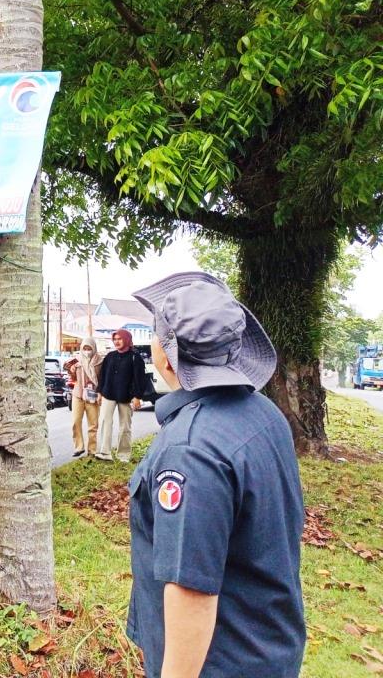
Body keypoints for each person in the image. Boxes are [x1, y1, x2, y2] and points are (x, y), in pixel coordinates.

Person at [127, 272, 305, 678]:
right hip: (265, 648)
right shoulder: (264, 412)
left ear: (166, 355)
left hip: (219, 662)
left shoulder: (190, 451)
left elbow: (192, 591)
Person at [96, 329, 146, 462]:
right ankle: (105, 452)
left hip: (126, 395)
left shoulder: (135, 357)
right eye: (115, 339)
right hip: (108, 393)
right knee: (105, 421)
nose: (117, 341)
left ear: (127, 340)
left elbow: (140, 378)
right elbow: (103, 375)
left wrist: (137, 396)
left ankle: (123, 455)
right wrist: (100, 392)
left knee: (125, 426)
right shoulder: (110, 356)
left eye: (120, 339)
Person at [67, 336, 102, 457]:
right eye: (85, 348)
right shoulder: (77, 361)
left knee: (93, 425)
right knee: (75, 421)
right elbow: (72, 379)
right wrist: (71, 370)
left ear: (94, 348)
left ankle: (92, 450)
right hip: (78, 395)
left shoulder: (100, 362)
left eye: (89, 348)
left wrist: (100, 393)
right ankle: (79, 447)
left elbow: (102, 379)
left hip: (92, 396)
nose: (87, 350)